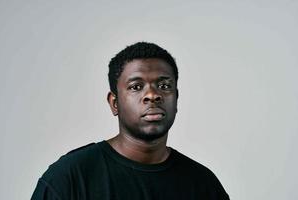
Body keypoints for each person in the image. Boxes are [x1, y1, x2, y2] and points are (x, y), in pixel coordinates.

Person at [31, 42, 230, 199]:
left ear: (176, 99)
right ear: (114, 103)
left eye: (164, 85)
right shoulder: (70, 178)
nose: (152, 95)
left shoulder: (203, 184)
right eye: (136, 87)